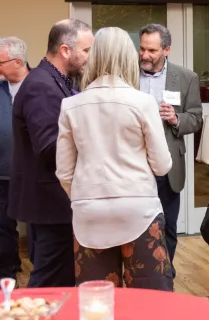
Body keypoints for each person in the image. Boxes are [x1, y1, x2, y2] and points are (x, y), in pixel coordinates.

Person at [55, 27, 174, 290]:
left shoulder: (71, 106)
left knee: (97, 297)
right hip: (138, 209)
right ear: (128, 58)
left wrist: (83, 198)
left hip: (89, 212)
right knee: (149, 298)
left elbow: (63, 172)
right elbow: (162, 165)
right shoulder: (142, 102)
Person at [9, 19, 93, 287]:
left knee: (61, 277)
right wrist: (92, 140)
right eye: (86, 50)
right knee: (50, 281)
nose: (89, 58)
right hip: (51, 202)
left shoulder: (55, 80)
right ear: (66, 50)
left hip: (54, 201)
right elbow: (50, 149)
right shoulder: (42, 86)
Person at [138, 24, 203, 268]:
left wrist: (176, 119)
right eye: (142, 49)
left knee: (168, 226)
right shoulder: (127, 74)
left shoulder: (186, 78)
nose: (144, 55)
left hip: (168, 166)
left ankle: (165, 276)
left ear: (167, 50)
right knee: (139, 227)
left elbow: (196, 117)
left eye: (152, 50)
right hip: (134, 164)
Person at [0, 37, 29, 279]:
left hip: (34, 174)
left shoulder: (39, 86)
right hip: (3, 173)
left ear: (17, 62)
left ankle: (43, 279)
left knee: (38, 229)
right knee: (3, 227)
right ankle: (7, 276)